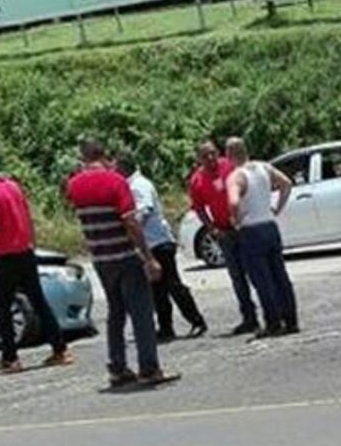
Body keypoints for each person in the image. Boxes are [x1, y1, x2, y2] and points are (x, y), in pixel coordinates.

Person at [67, 139, 177, 388]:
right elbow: (131, 222)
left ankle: (117, 367)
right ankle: (149, 367)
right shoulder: (116, 181)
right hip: (125, 255)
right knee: (141, 313)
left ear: (83, 158)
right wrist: (148, 257)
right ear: (105, 156)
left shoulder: (74, 185)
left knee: (115, 313)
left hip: (101, 258)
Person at [0, 147, 73, 375]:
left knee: (2, 307)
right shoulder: (12, 186)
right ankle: (60, 349)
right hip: (25, 253)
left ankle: (10, 358)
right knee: (38, 301)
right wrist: (32, 243)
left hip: (6, 256)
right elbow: (28, 216)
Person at [116, 150, 207, 343]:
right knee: (158, 289)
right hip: (150, 244)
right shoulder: (130, 185)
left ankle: (196, 319)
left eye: (116, 168)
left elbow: (145, 210)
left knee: (172, 284)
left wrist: (130, 228)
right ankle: (166, 328)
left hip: (158, 242)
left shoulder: (139, 185)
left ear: (124, 168)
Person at [225, 137, 298, 339]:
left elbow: (233, 200)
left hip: (251, 230)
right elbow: (286, 184)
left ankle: (273, 322)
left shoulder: (236, 176)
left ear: (229, 155)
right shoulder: (264, 167)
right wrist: (277, 207)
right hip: (269, 225)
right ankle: (291, 319)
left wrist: (237, 219)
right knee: (280, 275)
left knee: (262, 279)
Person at [189, 141, 258, 336]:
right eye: (205, 156)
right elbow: (199, 208)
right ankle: (249, 317)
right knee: (237, 278)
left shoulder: (230, 167)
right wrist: (212, 229)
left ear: (218, 153)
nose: (210, 158)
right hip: (224, 232)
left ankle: (271, 313)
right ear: (199, 159)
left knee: (255, 272)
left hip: (243, 227)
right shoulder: (198, 180)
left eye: (212, 153)